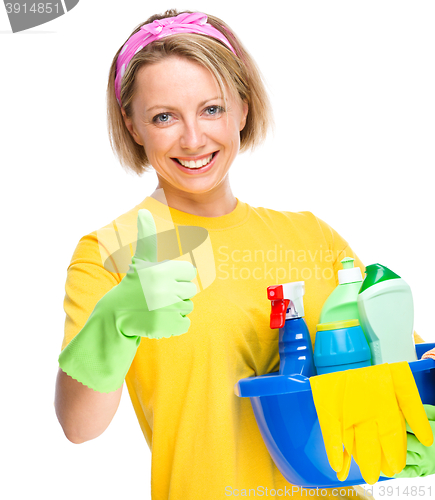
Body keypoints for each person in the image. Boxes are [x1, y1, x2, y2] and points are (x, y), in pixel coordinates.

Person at [54, 9, 426, 500]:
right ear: (133, 125)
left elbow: (400, 362)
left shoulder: (313, 237)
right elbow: (79, 427)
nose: (193, 139)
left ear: (243, 108)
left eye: (211, 109)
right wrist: (114, 324)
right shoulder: (112, 251)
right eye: (164, 116)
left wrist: (420, 415)